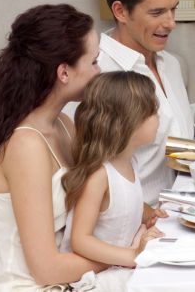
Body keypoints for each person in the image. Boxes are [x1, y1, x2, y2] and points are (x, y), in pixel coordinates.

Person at [0, 4, 105, 290]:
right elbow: (47, 270)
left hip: (68, 279)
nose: (100, 71)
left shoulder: (64, 124)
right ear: (64, 72)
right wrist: (127, 254)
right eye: (93, 62)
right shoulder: (26, 145)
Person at [100, 0, 194, 204]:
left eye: (173, 9)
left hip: (188, 205)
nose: (171, 23)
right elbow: (86, 172)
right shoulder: (97, 73)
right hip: (139, 224)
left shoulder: (171, 64)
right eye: (157, 13)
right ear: (120, 11)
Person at [60, 71, 165, 290]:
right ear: (128, 123)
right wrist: (131, 256)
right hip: (101, 277)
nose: (159, 117)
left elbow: (122, 207)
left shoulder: (129, 162)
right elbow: (81, 240)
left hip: (120, 265)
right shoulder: (99, 175)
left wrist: (149, 214)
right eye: (153, 111)